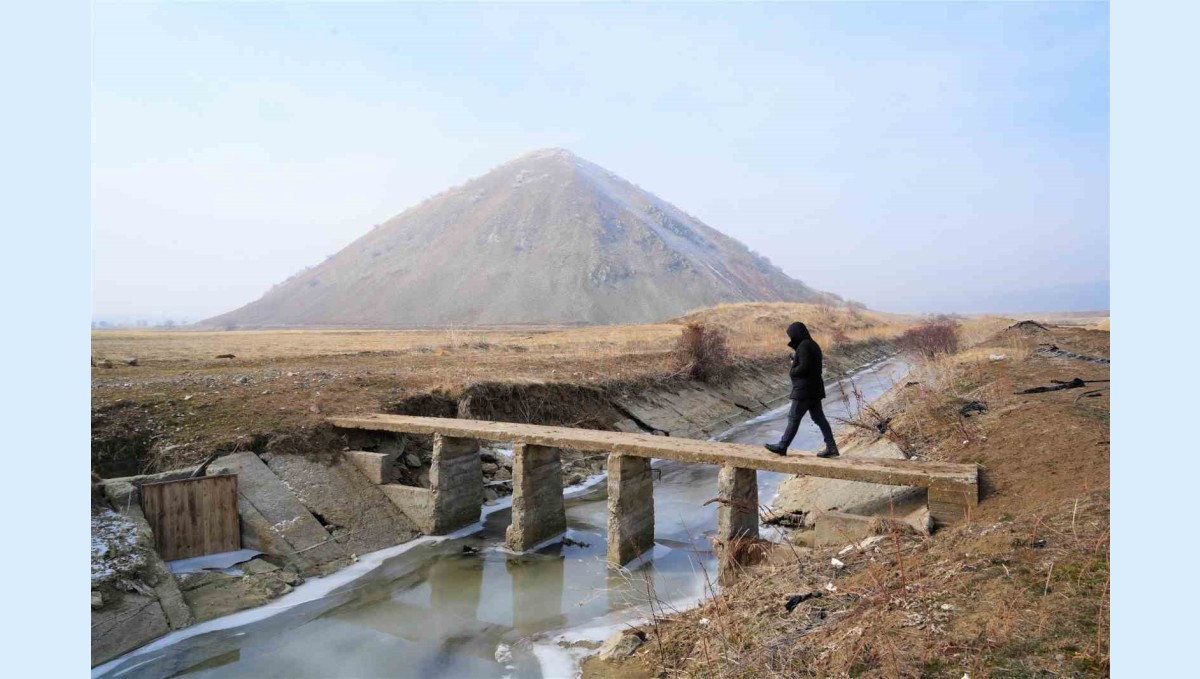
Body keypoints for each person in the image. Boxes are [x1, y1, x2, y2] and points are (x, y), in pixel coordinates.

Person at [765, 322, 839, 458]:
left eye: (791, 335)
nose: (791, 338)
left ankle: (782, 446)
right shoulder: (813, 344)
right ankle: (832, 447)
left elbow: (804, 367)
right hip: (815, 388)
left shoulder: (804, 346)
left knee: (793, 417)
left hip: (805, 390)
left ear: (797, 333)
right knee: (819, 418)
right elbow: (811, 365)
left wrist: (793, 368)